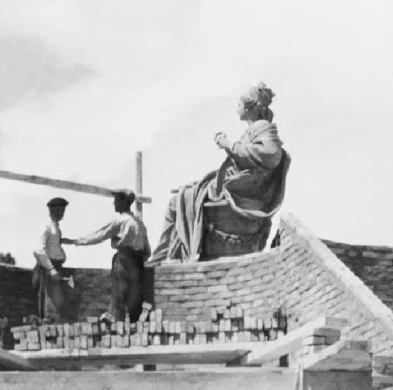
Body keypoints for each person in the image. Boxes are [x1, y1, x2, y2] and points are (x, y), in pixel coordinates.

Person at [148, 82, 290, 264]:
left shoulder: (263, 127)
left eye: (239, 104)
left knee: (179, 201)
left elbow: (271, 155)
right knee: (185, 195)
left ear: (249, 107)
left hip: (234, 192)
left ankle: (167, 255)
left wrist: (228, 144)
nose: (236, 108)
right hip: (227, 185)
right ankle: (168, 253)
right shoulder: (254, 129)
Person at [64, 189, 151, 323]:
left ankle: (115, 319)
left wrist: (76, 241)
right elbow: (147, 250)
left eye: (116, 200)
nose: (113, 203)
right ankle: (135, 324)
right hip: (138, 263)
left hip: (124, 260)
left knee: (120, 291)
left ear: (123, 201)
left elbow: (99, 235)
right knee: (135, 294)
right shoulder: (139, 223)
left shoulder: (121, 220)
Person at [33, 197, 69, 322]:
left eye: (63, 211)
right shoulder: (46, 226)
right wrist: (51, 268)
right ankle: (48, 326)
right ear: (51, 210)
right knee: (50, 302)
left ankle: (53, 325)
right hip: (48, 267)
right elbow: (38, 250)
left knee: (57, 300)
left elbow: (55, 245)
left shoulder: (56, 227)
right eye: (59, 210)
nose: (61, 214)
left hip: (56, 266)